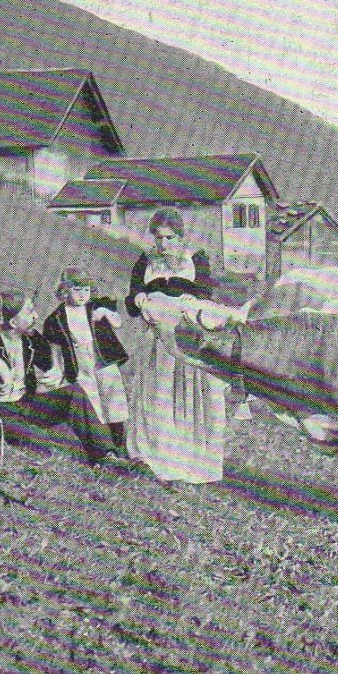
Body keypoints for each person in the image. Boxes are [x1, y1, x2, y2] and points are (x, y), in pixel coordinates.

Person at [0, 289, 118, 464]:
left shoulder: (30, 339)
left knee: (74, 394)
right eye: (30, 311)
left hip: (25, 404)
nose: (36, 316)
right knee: (44, 444)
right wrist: (2, 369)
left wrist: (56, 369)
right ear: (14, 322)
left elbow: (53, 362)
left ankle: (107, 456)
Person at [125, 207, 228, 484]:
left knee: (189, 395)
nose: (163, 244)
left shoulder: (196, 261)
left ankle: (191, 458)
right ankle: (157, 454)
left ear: (181, 237)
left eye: (170, 238)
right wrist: (139, 300)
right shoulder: (145, 262)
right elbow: (132, 298)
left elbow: (206, 296)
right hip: (156, 338)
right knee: (158, 393)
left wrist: (186, 305)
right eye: (158, 238)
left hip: (185, 338)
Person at [41, 266, 130, 456]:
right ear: (65, 290)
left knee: (113, 399)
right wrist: (56, 370)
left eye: (86, 290)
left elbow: (117, 322)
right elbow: (55, 349)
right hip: (80, 364)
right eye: (77, 289)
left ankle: (119, 445)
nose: (82, 295)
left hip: (103, 360)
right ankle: (102, 449)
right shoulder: (55, 319)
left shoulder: (96, 307)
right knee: (91, 401)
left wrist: (107, 312)